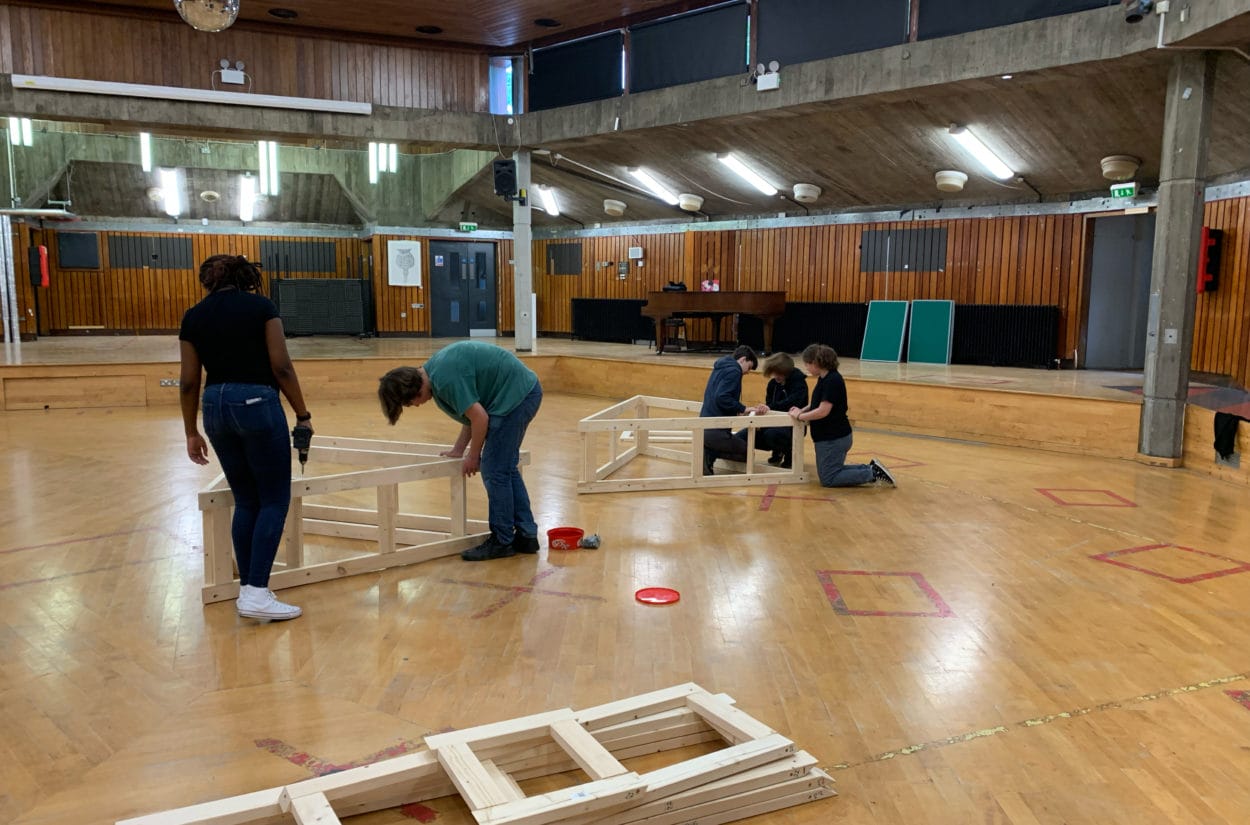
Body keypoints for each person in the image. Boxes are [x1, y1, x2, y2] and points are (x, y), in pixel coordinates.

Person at [179, 254, 311, 621]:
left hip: (214, 405)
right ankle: (255, 592)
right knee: (273, 499)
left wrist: (191, 431)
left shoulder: (193, 316)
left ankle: (250, 590)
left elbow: (189, 381)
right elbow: (281, 365)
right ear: (247, 277)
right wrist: (302, 414)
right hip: (255, 401)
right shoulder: (261, 307)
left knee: (246, 500)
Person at [377, 341, 543, 562]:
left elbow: (479, 418)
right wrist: (459, 449)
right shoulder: (436, 372)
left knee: (494, 470)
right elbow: (472, 414)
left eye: (410, 404)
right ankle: (526, 535)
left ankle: (503, 541)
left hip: (516, 397)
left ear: (414, 392)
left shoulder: (445, 380)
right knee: (504, 468)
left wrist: (473, 457)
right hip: (518, 392)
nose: (416, 407)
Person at [788, 343, 896, 488]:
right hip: (830, 437)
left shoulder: (832, 380)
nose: (806, 368)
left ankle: (872, 473)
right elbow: (817, 404)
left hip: (833, 438)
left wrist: (800, 417)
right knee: (831, 472)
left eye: (807, 364)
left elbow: (823, 411)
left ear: (816, 363)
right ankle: (871, 469)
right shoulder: (824, 378)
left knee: (829, 478)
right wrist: (802, 410)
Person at [734, 351, 809, 469]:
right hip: (773, 423)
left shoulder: (799, 383)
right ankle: (778, 450)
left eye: (779, 373)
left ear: (787, 371)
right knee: (741, 437)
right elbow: (770, 404)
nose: (776, 376)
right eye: (774, 373)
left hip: (793, 426)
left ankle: (789, 454)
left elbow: (793, 403)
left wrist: (771, 407)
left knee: (772, 435)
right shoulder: (772, 385)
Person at [700, 344, 767, 474]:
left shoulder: (720, 368)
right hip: (716, 431)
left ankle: (708, 450)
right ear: (742, 359)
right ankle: (710, 452)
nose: (747, 372)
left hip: (705, 427)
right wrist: (743, 408)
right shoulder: (734, 370)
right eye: (749, 367)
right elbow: (722, 397)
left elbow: (718, 397)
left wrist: (737, 410)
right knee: (747, 453)